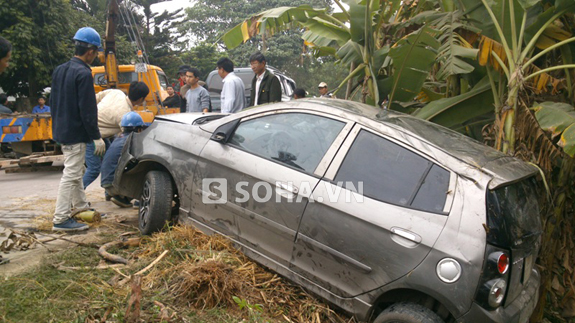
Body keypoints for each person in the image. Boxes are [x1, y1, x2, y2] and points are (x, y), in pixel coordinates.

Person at [50, 27, 104, 232]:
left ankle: (81, 208)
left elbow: (53, 102)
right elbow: (87, 110)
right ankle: (61, 218)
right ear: (89, 51)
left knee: (77, 170)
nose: (96, 56)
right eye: (96, 52)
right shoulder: (83, 73)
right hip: (75, 133)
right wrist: (96, 137)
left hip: (62, 130)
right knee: (71, 175)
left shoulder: (60, 69)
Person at [83, 81, 149, 190]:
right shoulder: (124, 114)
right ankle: (75, 197)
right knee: (94, 169)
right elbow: (127, 138)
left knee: (109, 161)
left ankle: (109, 192)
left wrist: (92, 113)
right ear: (141, 99)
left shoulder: (116, 93)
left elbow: (96, 97)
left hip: (98, 133)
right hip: (91, 136)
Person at [101, 111, 146, 208]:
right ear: (138, 129)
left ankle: (120, 198)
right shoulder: (132, 141)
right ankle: (141, 200)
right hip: (115, 184)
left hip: (106, 183)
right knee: (145, 166)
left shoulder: (119, 138)